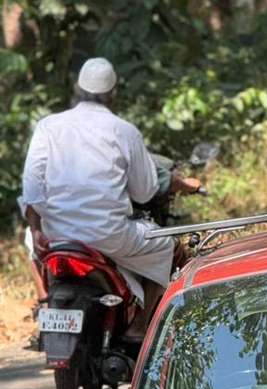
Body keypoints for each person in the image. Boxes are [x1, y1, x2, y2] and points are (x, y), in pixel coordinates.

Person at [20, 57, 200, 339]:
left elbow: (31, 190)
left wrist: (37, 229)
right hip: (110, 236)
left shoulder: (48, 126)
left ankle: (47, 309)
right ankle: (140, 328)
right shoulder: (125, 131)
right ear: (112, 94)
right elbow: (145, 192)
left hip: (57, 236)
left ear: (77, 89)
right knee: (166, 246)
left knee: (32, 245)